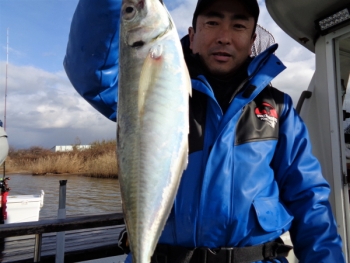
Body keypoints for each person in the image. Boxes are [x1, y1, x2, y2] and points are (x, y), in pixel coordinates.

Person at [64, 0, 345, 262]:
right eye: (212, 23)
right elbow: (93, 74)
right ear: (191, 34)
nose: (224, 36)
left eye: (238, 26)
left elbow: (309, 201)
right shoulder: (159, 88)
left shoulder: (278, 108)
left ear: (252, 40)